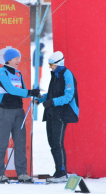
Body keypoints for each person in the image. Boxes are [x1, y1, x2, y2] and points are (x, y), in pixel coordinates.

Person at [0, 48, 40, 183]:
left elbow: (23, 90)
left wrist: (34, 94)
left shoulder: (18, 74)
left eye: (19, 58)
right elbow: (11, 89)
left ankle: (22, 173)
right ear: (8, 59)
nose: (18, 61)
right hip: (4, 110)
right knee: (2, 142)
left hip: (19, 111)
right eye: (15, 58)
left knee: (20, 143)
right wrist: (30, 92)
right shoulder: (0, 72)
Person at [35, 51, 79, 183]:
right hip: (53, 112)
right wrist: (43, 99)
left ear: (58, 63)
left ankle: (61, 173)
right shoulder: (55, 75)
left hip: (62, 112)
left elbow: (68, 96)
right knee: (52, 143)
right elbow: (54, 93)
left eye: (51, 64)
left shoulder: (67, 74)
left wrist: (52, 102)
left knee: (57, 143)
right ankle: (59, 172)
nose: (50, 67)